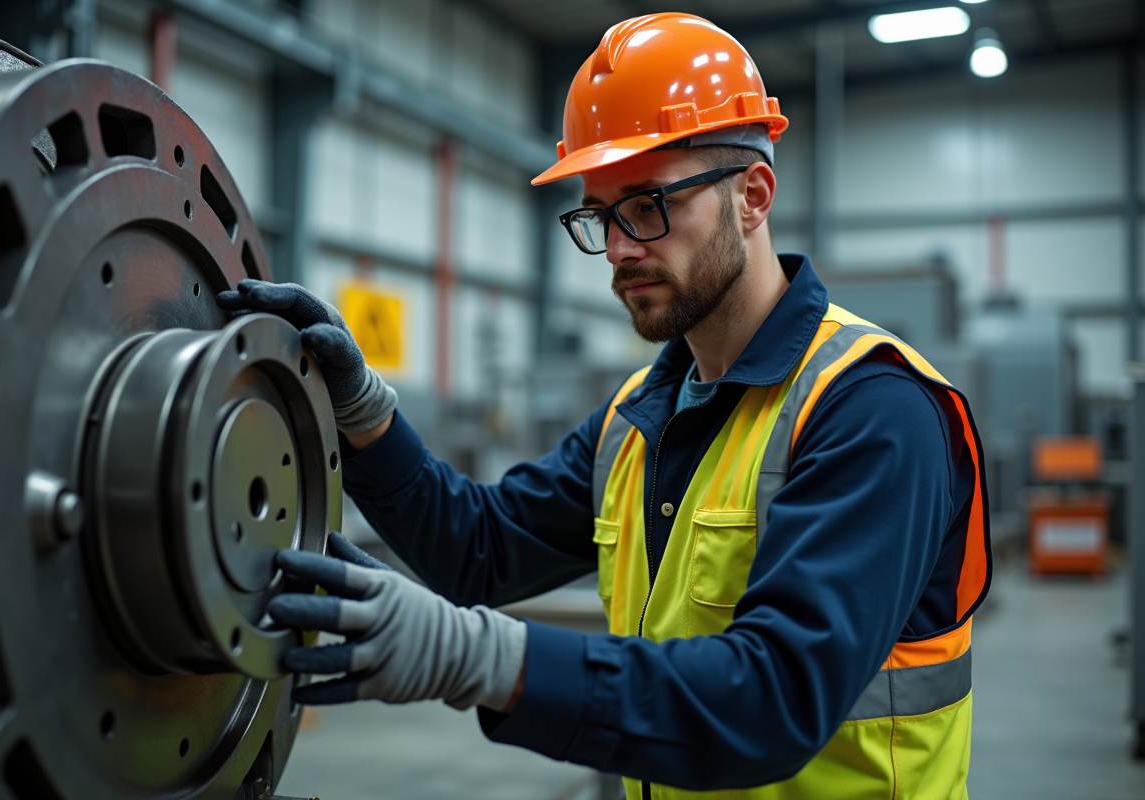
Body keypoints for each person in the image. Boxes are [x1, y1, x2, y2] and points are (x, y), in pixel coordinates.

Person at [218, 12, 990, 800]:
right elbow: (480, 549)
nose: (618, 249)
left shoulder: (872, 409)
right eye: (600, 215)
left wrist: (478, 659)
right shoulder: (640, 414)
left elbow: (774, 702)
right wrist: (361, 411)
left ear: (752, 196)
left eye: (648, 205)